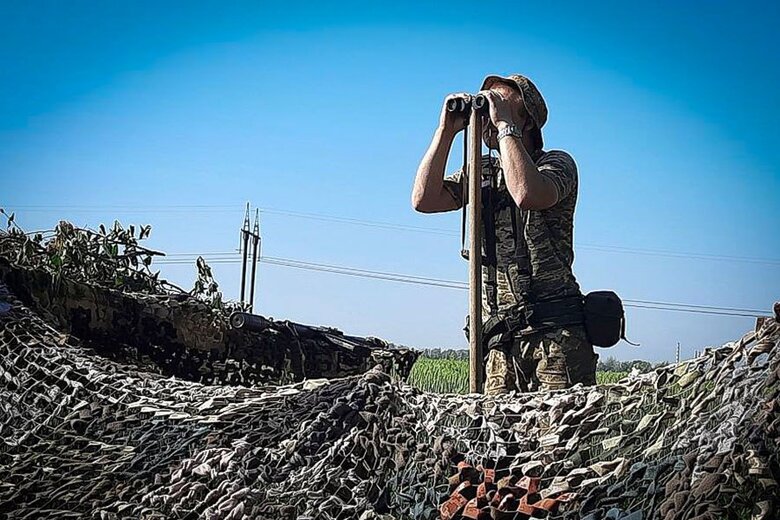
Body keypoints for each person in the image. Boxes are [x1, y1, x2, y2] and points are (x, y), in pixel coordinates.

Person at [411, 74, 597, 394]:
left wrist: (504, 126)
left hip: (554, 338)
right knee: (500, 440)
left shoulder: (556, 163)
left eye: (499, 103)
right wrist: (446, 131)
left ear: (527, 119)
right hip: (498, 342)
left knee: (555, 441)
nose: (488, 115)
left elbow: (527, 193)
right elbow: (424, 200)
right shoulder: (481, 171)